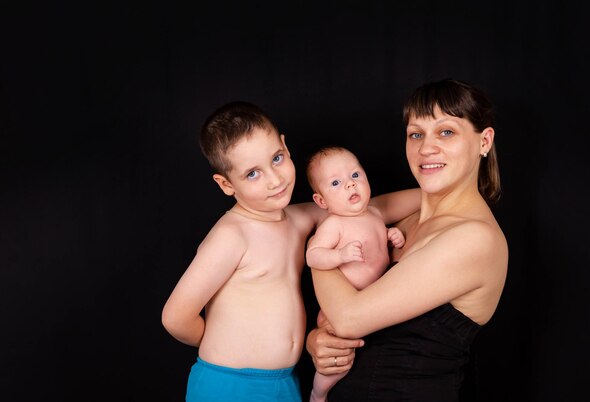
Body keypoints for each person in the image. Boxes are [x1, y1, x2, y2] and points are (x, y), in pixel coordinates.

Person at [161, 101, 422, 401]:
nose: (275, 179)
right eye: (252, 174)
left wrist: (436, 195)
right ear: (225, 184)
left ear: (285, 145)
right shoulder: (232, 235)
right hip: (230, 382)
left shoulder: (299, 219)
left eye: (276, 158)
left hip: (284, 382)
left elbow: (372, 208)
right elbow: (175, 317)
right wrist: (220, 348)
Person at [306, 79, 509, 402]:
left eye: (446, 132)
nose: (426, 148)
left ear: (484, 141)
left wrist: (319, 250)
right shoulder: (403, 219)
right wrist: (318, 341)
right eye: (416, 134)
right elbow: (302, 216)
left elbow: (349, 318)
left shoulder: (475, 238)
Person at [304, 147, 406, 402]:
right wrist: (339, 256)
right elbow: (312, 256)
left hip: (370, 304)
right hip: (339, 309)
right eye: (336, 183)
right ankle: (319, 393)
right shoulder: (333, 225)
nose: (350, 185)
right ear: (322, 201)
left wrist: (393, 236)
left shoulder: (374, 214)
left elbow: (379, 243)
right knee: (339, 359)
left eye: (355, 175)